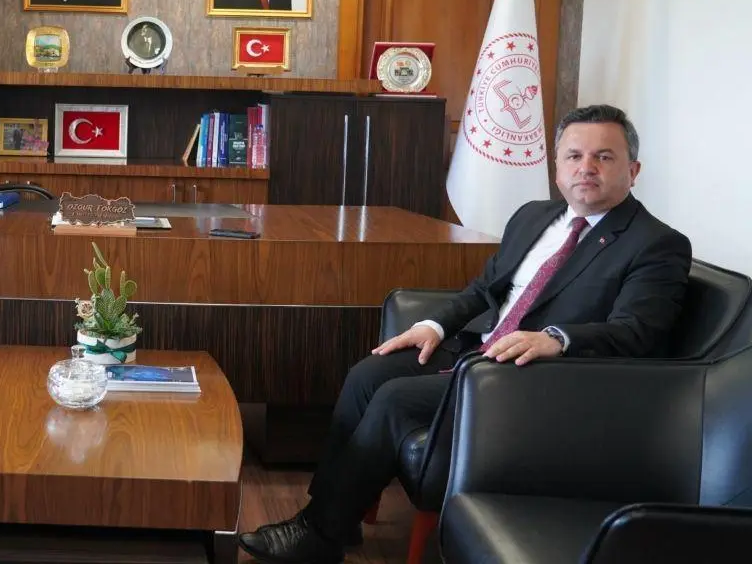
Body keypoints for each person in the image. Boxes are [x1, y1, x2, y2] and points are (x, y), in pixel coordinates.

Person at [237, 104, 693, 564]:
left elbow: (637, 332)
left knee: (395, 399)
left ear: (633, 170)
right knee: (368, 374)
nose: (586, 168)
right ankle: (336, 517)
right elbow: (484, 288)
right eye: (574, 156)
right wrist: (433, 325)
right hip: (481, 350)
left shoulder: (655, 244)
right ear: (557, 166)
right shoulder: (535, 217)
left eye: (604, 157)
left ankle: (319, 535)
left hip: (541, 378)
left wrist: (558, 338)